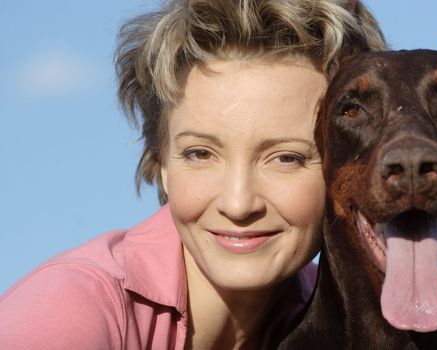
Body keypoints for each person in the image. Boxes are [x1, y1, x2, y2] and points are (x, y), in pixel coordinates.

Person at [0, 1, 385, 349]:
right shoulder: (70, 310)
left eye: (286, 158)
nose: (238, 203)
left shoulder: (346, 323)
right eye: (200, 154)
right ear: (162, 162)